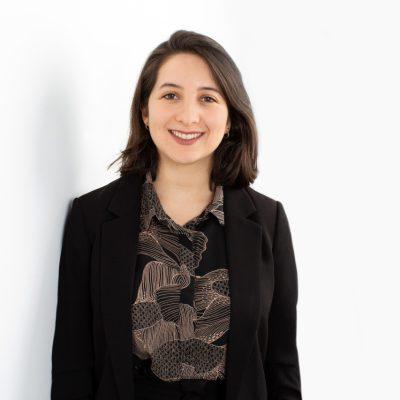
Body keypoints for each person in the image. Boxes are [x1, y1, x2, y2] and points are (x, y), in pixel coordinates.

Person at [51, 30, 302, 400]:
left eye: (207, 98)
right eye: (170, 95)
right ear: (145, 111)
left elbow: (281, 365)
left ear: (230, 119)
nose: (188, 116)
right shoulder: (91, 217)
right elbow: (72, 363)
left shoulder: (268, 221)